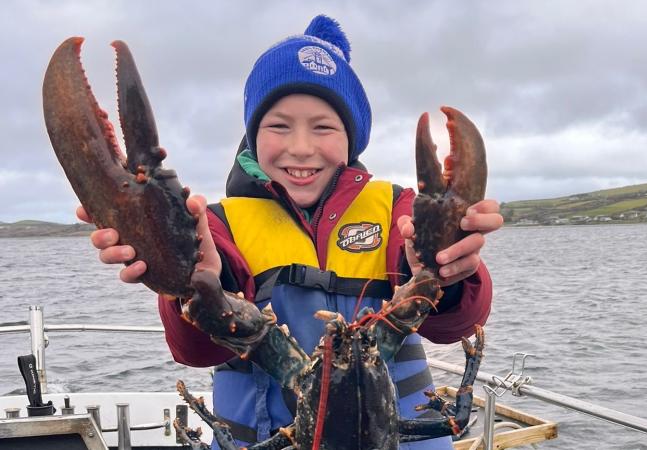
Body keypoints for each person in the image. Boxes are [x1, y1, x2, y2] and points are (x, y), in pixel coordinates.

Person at [78, 14, 503, 450]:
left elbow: (457, 323)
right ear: (252, 136)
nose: (301, 147)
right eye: (279, 126)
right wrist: (193, 279)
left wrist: (450, 271)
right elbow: (196, 350)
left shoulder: (398, 212)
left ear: (352, 137)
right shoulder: (220, 227)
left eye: (324, 127)